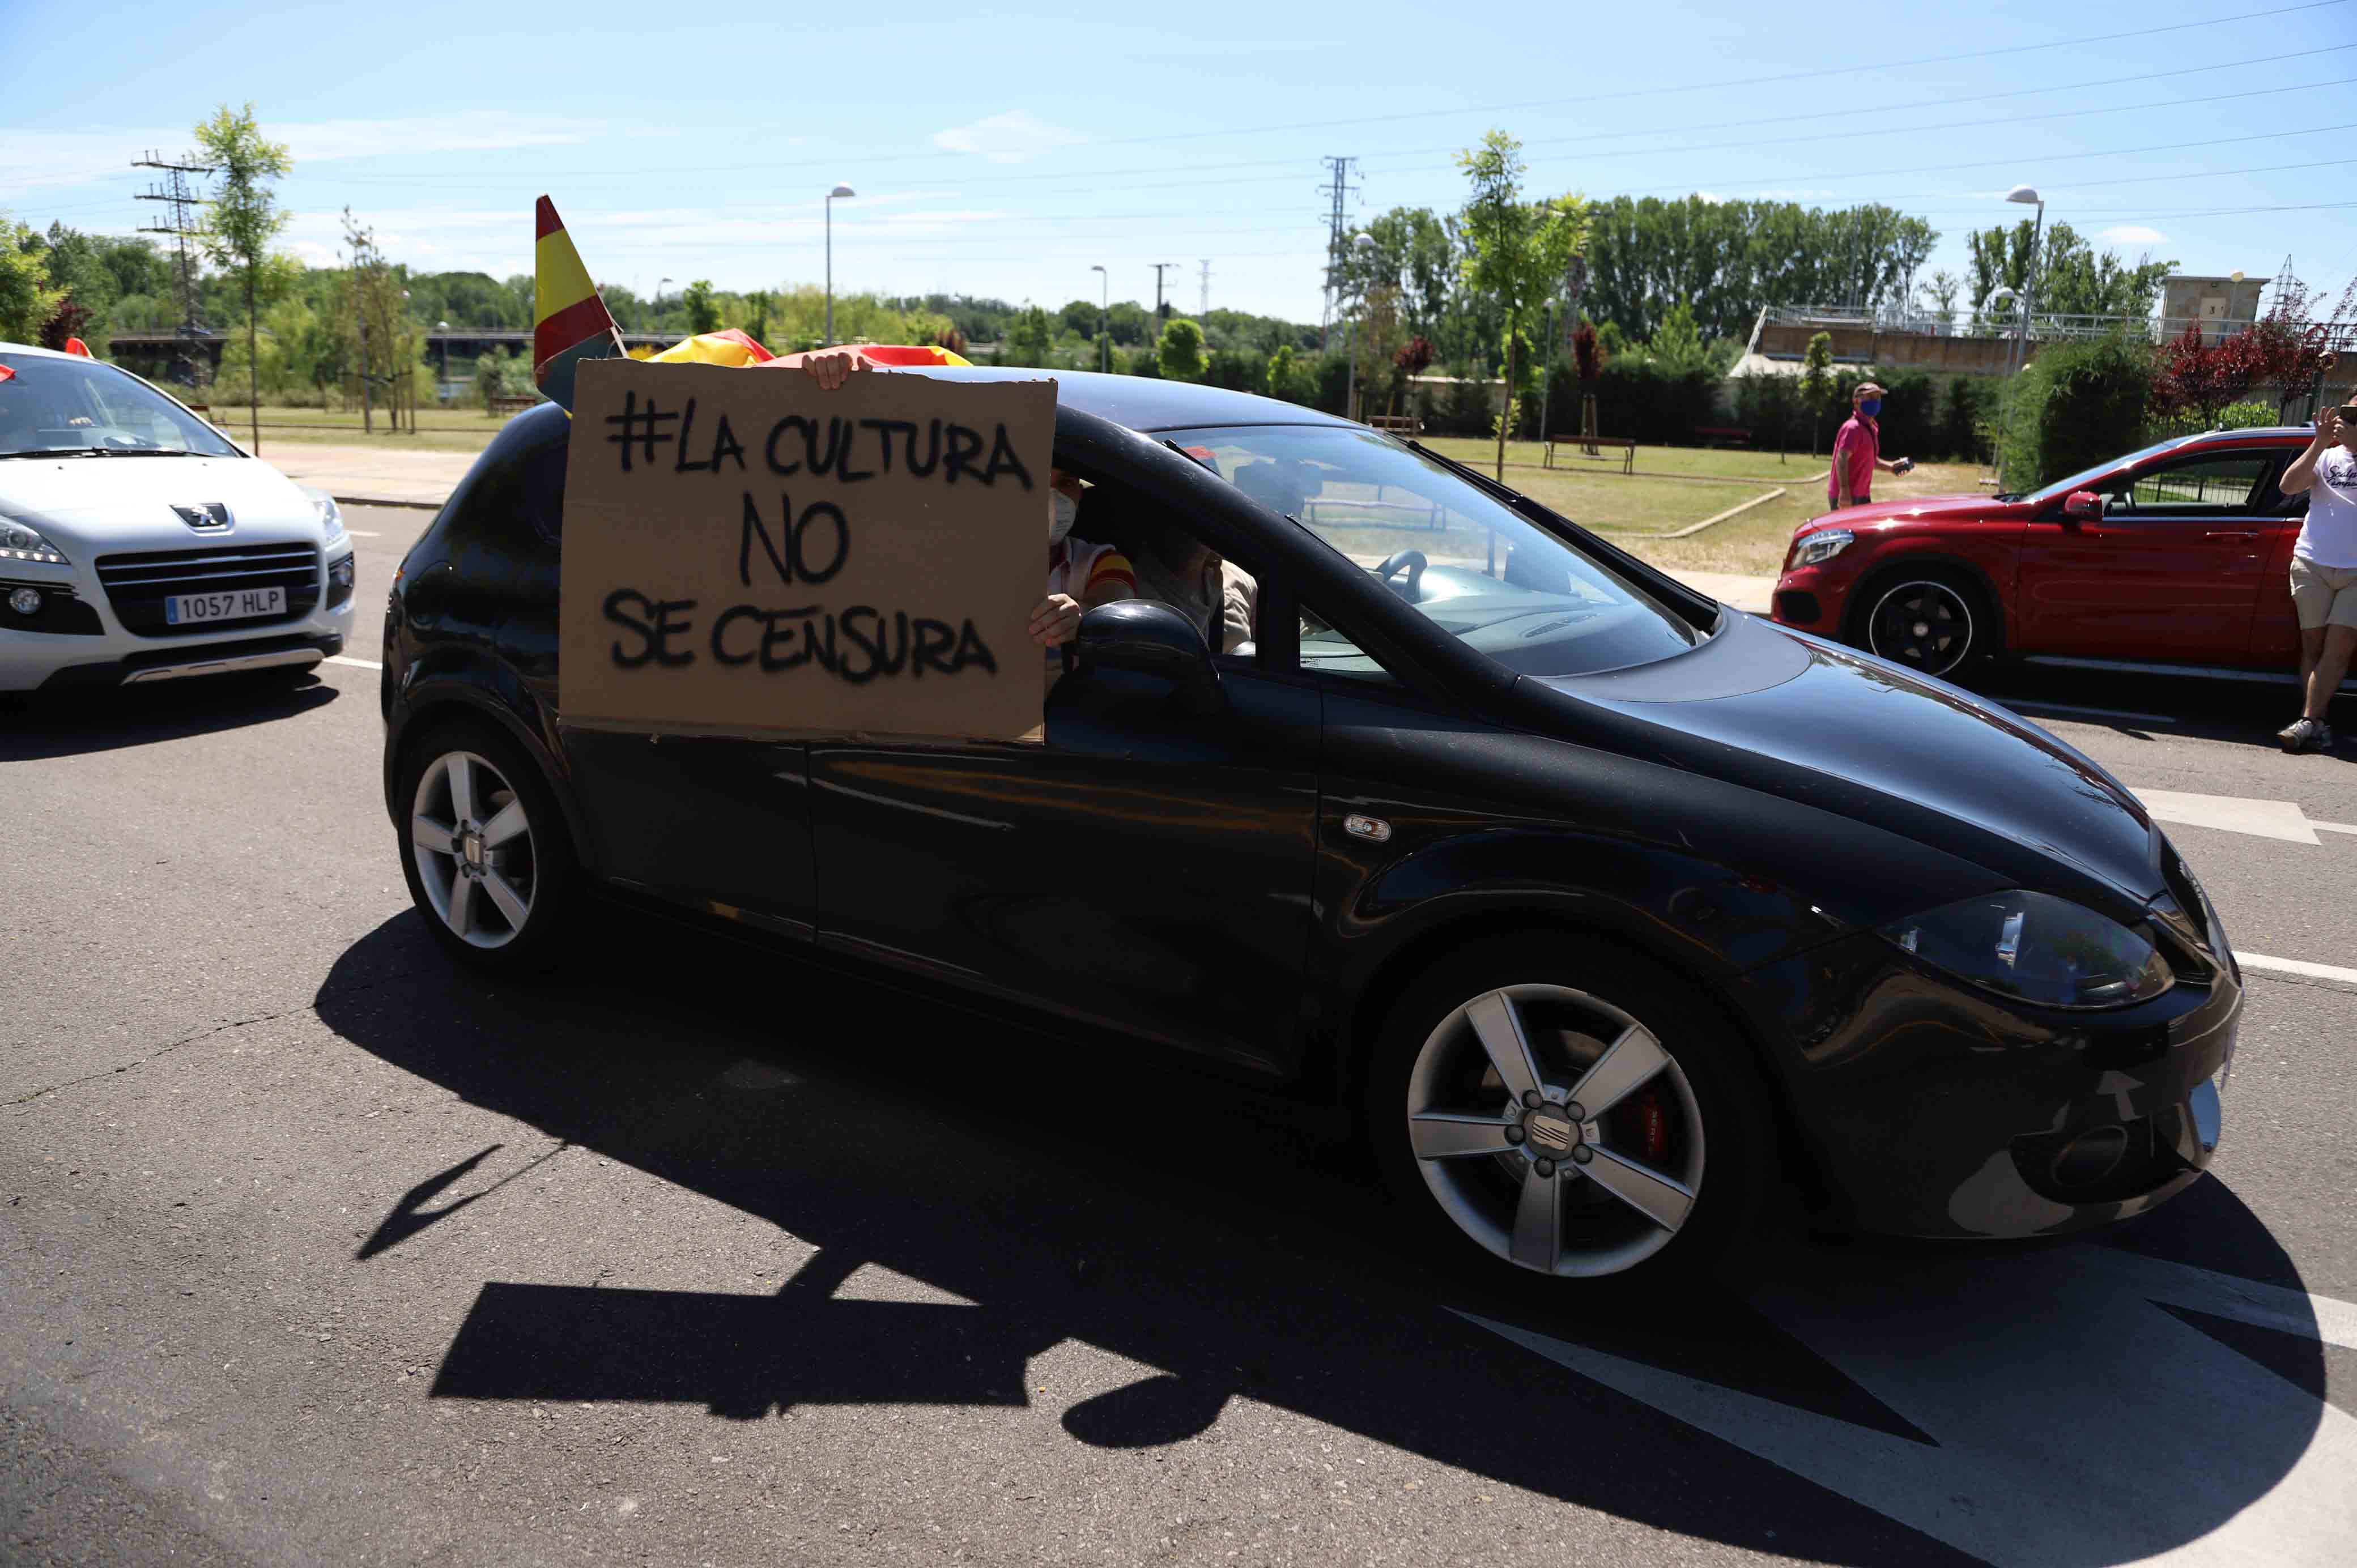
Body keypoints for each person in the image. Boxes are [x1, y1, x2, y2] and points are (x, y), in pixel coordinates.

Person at [780, 346, 1134, 651]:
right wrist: (841, 395)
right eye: (1039, 478)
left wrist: (1082, 614)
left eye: (1069, 481)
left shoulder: (1097, 562)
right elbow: (861, 490)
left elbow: (1116, 599)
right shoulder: (936, 545)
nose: (1054, 495)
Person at [2273, 399, 2357, 754]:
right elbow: (2288, 486)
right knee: (2314, 647)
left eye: (2353, 418)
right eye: (2345, 414)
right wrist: (2320, 442)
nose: (2344, 422)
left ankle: (2306, 721)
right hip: (2313, 563)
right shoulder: (2326, 456)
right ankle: (2317, 725)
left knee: (2339, 649)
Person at [1828, 382, 1911, 511]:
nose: (1876, 401)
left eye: (1878, 397)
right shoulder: (1853, 428)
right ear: (1856, 401)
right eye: (1870, 397)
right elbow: (1841, 460)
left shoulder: (1871, 427)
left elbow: (1871, 460)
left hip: (1862, 495)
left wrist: (1892, 467)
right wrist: (1844, 492)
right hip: (1848, 497)